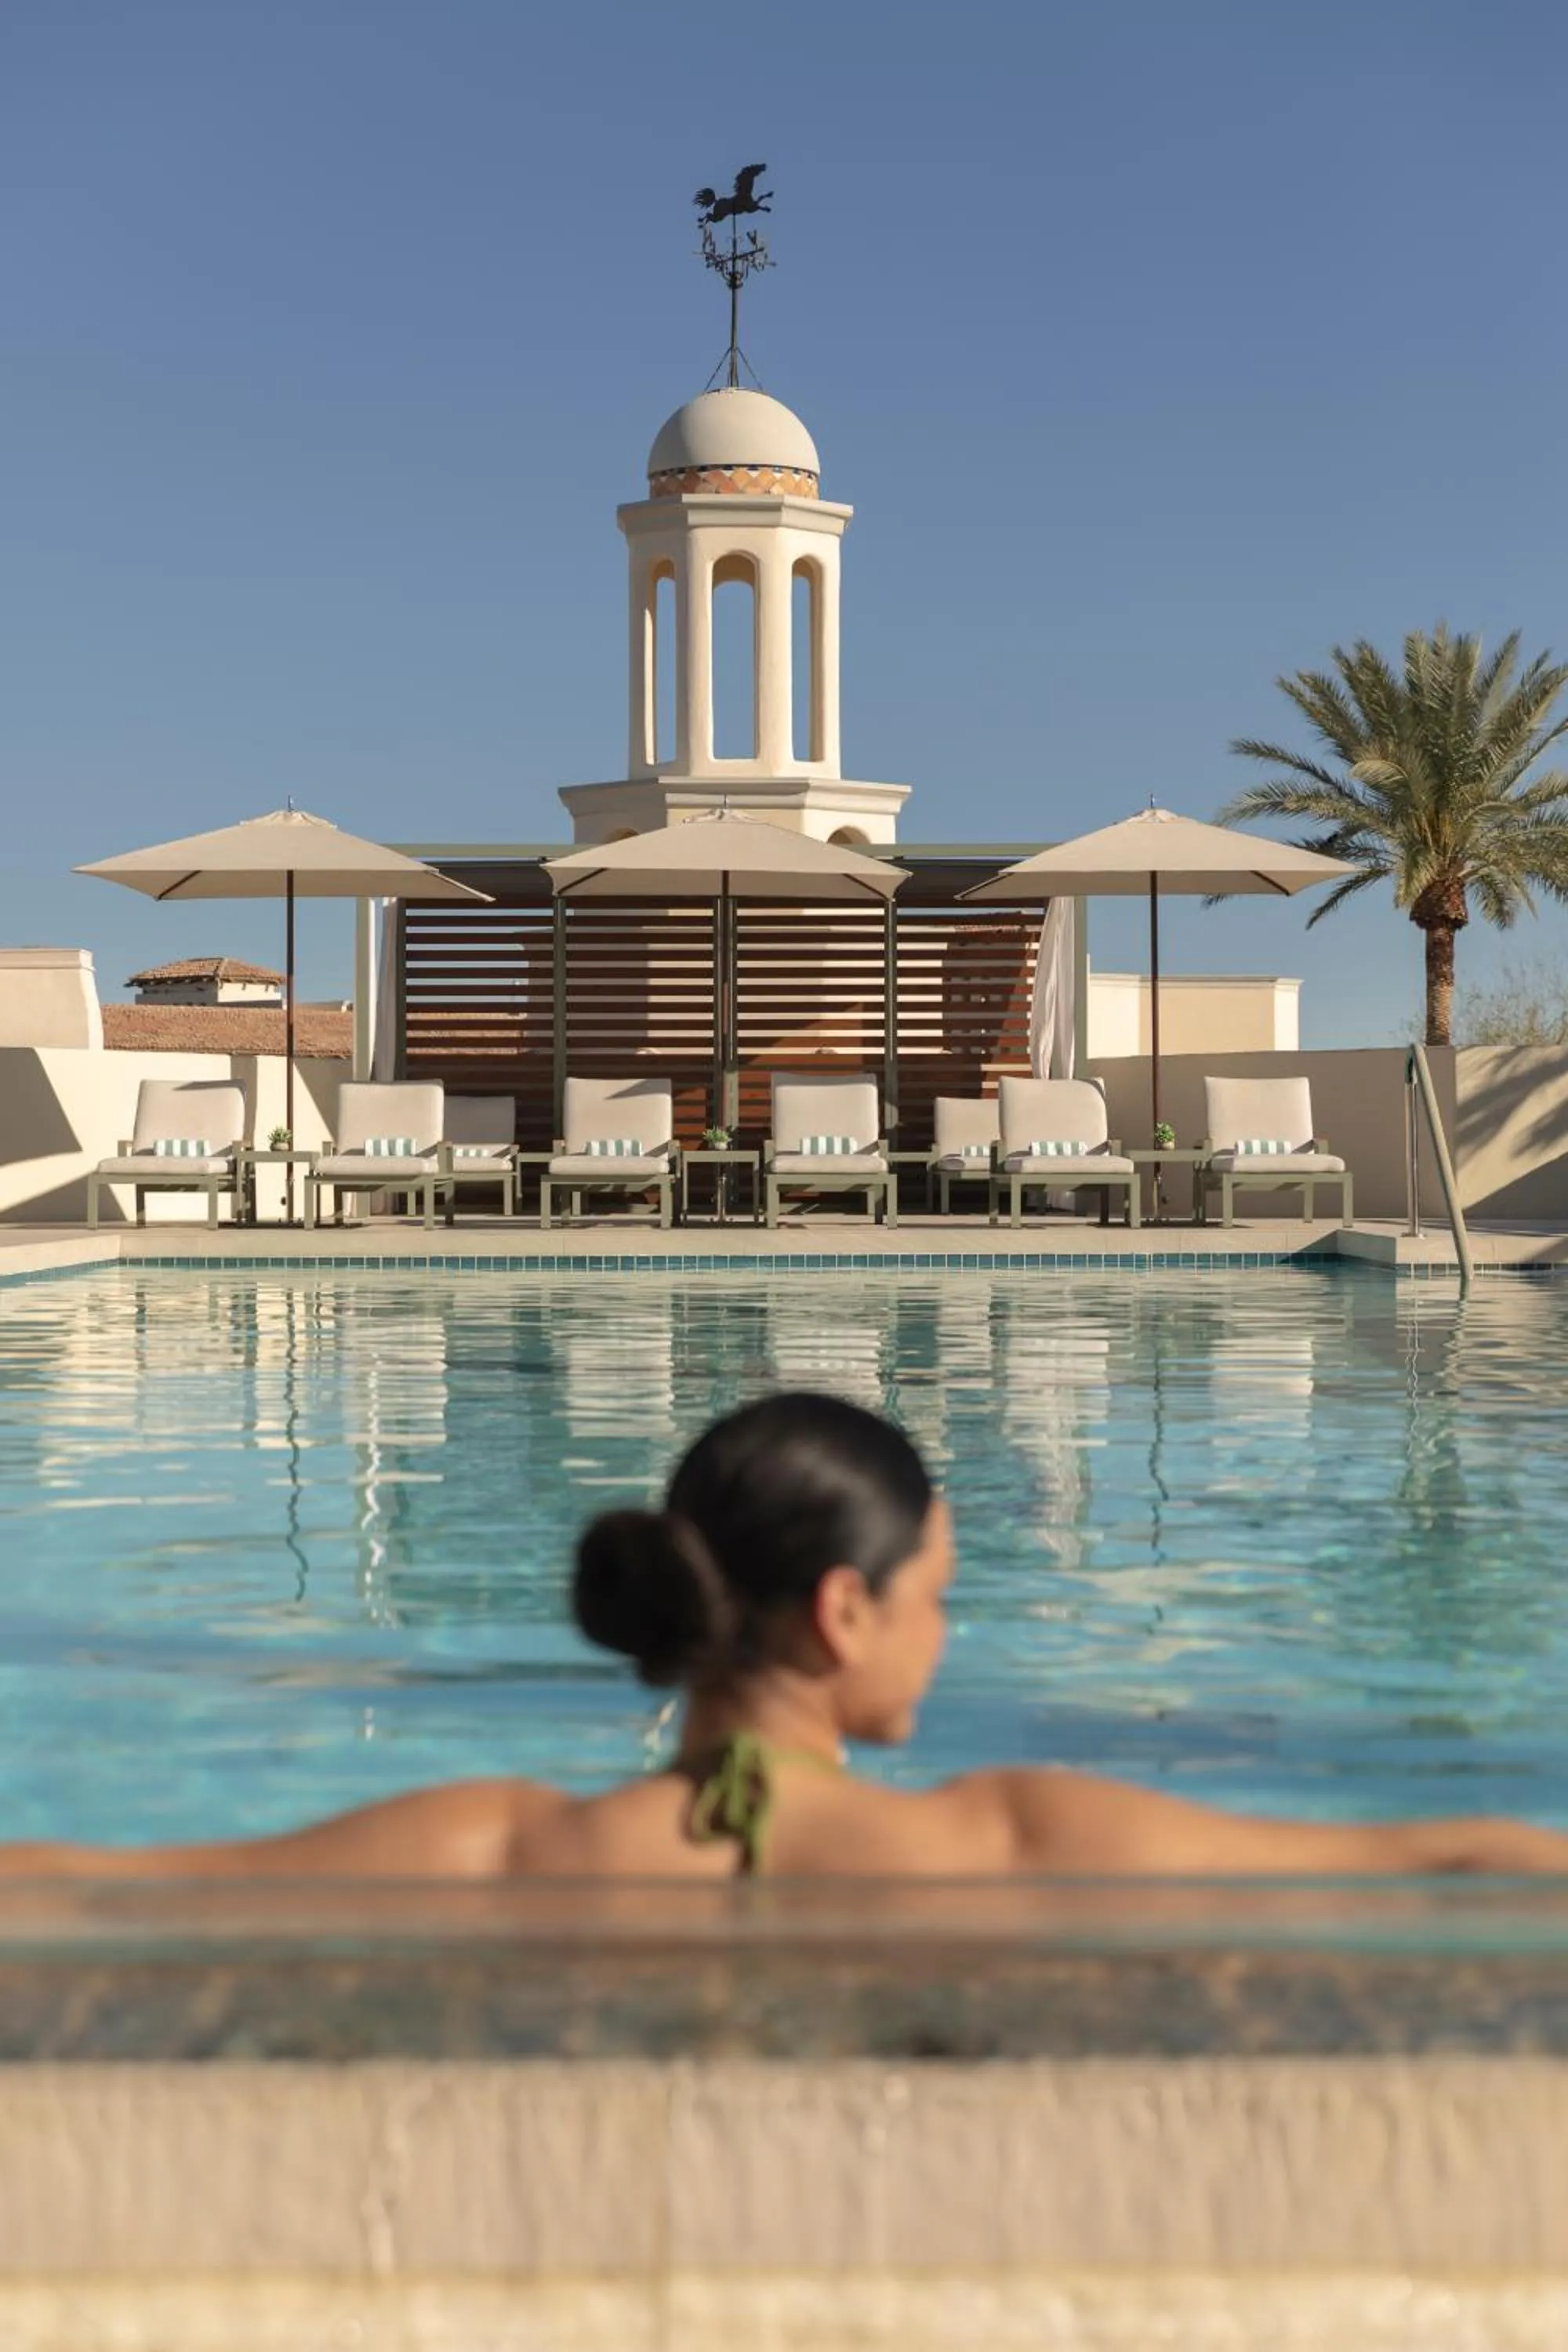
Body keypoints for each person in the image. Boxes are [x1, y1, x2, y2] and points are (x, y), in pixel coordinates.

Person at [3, 1391, 1567, 1882]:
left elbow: (83, 1885)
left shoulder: (496, 1847)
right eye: (936, 1594)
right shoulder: (1007, 1838)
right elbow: (1446, 1858)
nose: (943, 1632)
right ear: (842, 1612)